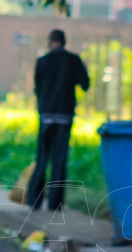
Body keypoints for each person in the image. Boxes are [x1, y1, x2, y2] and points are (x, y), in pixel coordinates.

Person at [26, 29, 89, 211]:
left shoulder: (42, 61)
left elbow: (37, 88)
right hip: (65, 116)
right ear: (64, 41)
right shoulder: (74, 60)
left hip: (46, 115)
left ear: (50, 41)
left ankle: (34, 200)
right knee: (59, 159)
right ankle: (55, 204)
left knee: (42, 157)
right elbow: (85, 84)